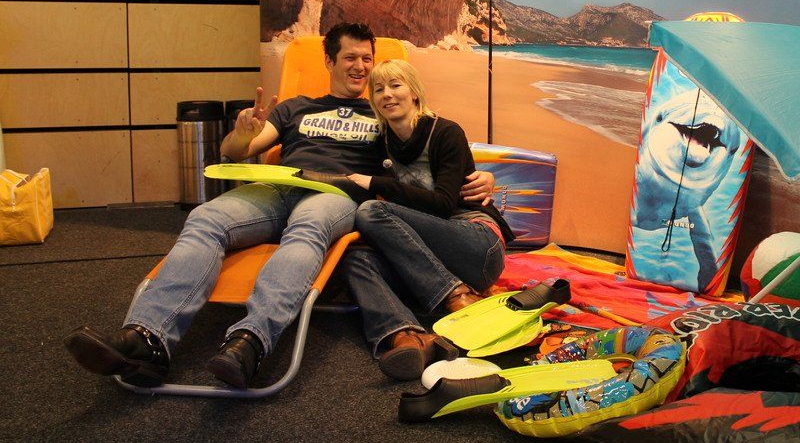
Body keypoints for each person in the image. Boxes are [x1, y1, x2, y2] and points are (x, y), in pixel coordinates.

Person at [63, 22, 493, 389]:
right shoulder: (295, 107)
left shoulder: (382, 111)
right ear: (329, 61)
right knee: (205, 217)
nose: (361, 67)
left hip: (334, 196)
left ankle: (250, 341)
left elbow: (428, 149)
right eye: (350, 58)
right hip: (276, 188)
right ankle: (148, 338)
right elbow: (238, 150)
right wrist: (241, 135)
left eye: (367, 59)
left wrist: (486, 177)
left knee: (307, 231)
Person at [305, 59, 514, 381]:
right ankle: (407, 336)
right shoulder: (381, 143)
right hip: (430, 259)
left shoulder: (446, 132)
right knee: (355, 259)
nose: (387, 94)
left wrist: (377, 184)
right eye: (378, 89)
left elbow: (443, 204)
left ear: (414, 92)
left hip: (477, 245)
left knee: (372, 211)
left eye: (395, 85)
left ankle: (457, 296)